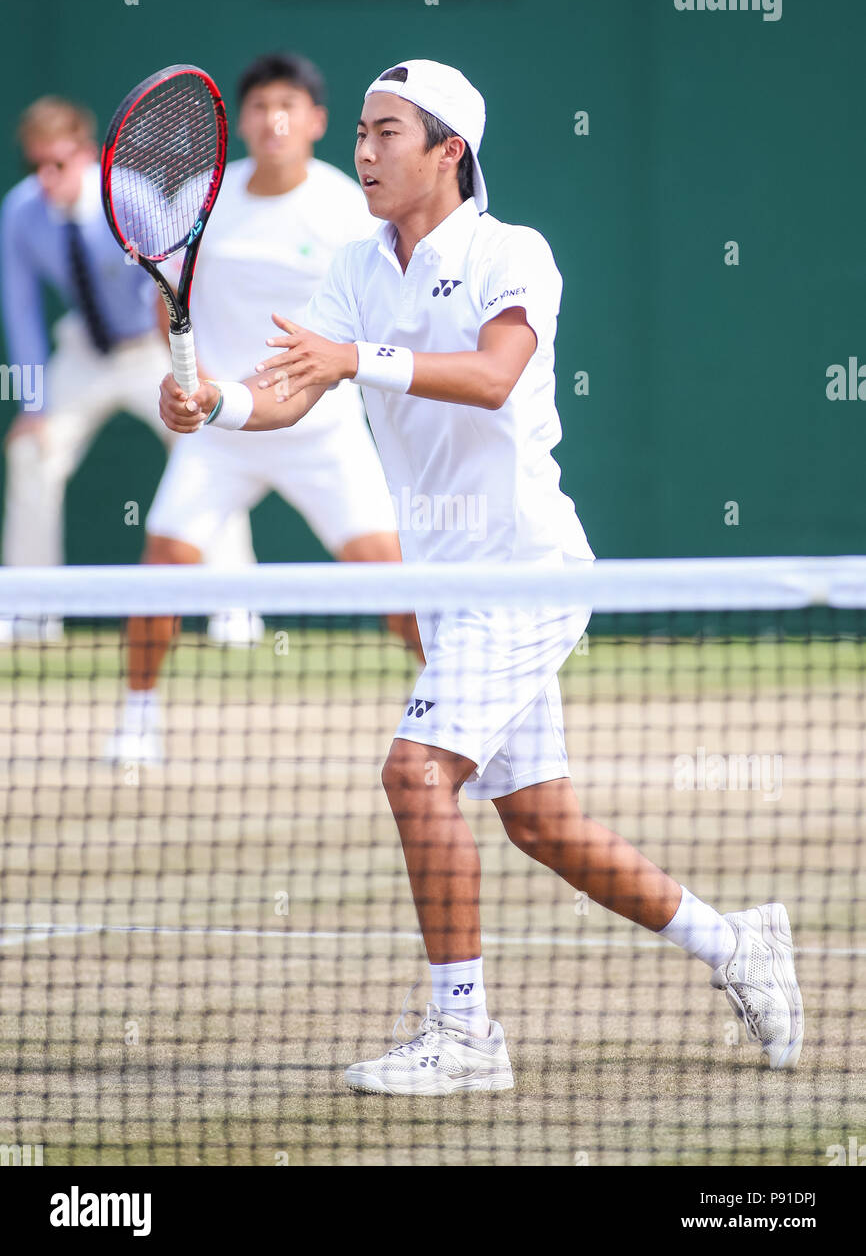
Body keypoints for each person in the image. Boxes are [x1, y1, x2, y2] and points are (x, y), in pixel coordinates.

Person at [158, 59, 805, 1093]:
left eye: (384, 133)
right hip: (448, 585)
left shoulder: (514, 252)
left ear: (447, 150)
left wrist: (355, 361)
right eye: (360, 134)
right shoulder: (353, 263)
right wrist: (216, 408)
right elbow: (290, 389)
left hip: (525, 571)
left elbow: (493, 379)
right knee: (541, 821)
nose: (362, 152)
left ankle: (466, 1037)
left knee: (414, 774)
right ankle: (737, 945)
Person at [105, 53, 414, 766]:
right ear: (238, 121)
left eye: (289, 106)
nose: (273, 119)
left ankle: (459, 714)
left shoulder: (345, 208)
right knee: (164, 565)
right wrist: (200, 382)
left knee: (396, 583)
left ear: (316, 122)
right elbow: (167, 302)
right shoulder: (203, 198)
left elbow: (365, 319)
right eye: (259, 106)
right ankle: (138, 717)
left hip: (322, 428)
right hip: (219, 427)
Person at [0, 95, 255, 644]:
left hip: (150, 348)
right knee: (28, 452)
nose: (47, 178)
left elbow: (176, 282)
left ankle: (236, 612)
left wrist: (184, 359)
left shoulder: (130, 196)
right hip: (84, 353)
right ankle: (28, 615)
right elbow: (19, 310)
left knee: (210, 451)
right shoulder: (20, 212)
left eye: (59, 163)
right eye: (35, 165)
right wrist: (32, 405)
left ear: (86, 154)